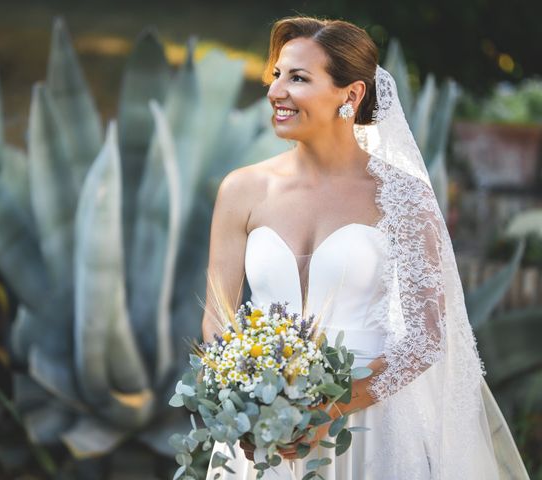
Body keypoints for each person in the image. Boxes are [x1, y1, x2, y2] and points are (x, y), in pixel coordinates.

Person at [200, 15, 530, 480]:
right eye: (276, 75)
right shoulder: (242, 191)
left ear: (350, 95)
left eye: (298, 78)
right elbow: (218, 317)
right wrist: (239, 402)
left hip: (371, 429)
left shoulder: (402, 197)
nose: (277, 91)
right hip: (259, 430)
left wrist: (327, 411)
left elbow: (424, 338)